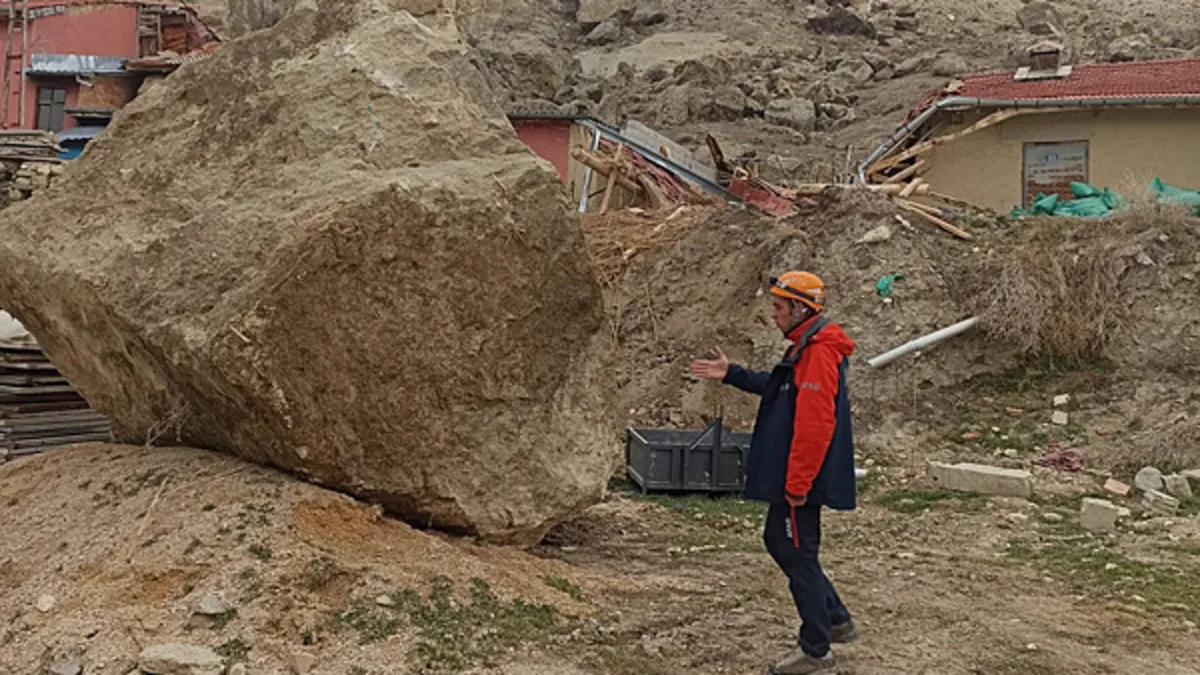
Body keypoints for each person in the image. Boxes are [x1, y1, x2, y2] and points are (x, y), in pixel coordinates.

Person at [689, 270, 858, 675]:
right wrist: (733, 374)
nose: (773, 314)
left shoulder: (818, 353)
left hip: (803, 480)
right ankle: (834, 618)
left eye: (779, 307)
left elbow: (815, 427)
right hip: (798, 476)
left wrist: (798, 485)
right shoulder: (806, 347)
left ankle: (816, 650)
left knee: (796, 552)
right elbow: (781, 387)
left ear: (800, 308)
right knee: (781, 542)